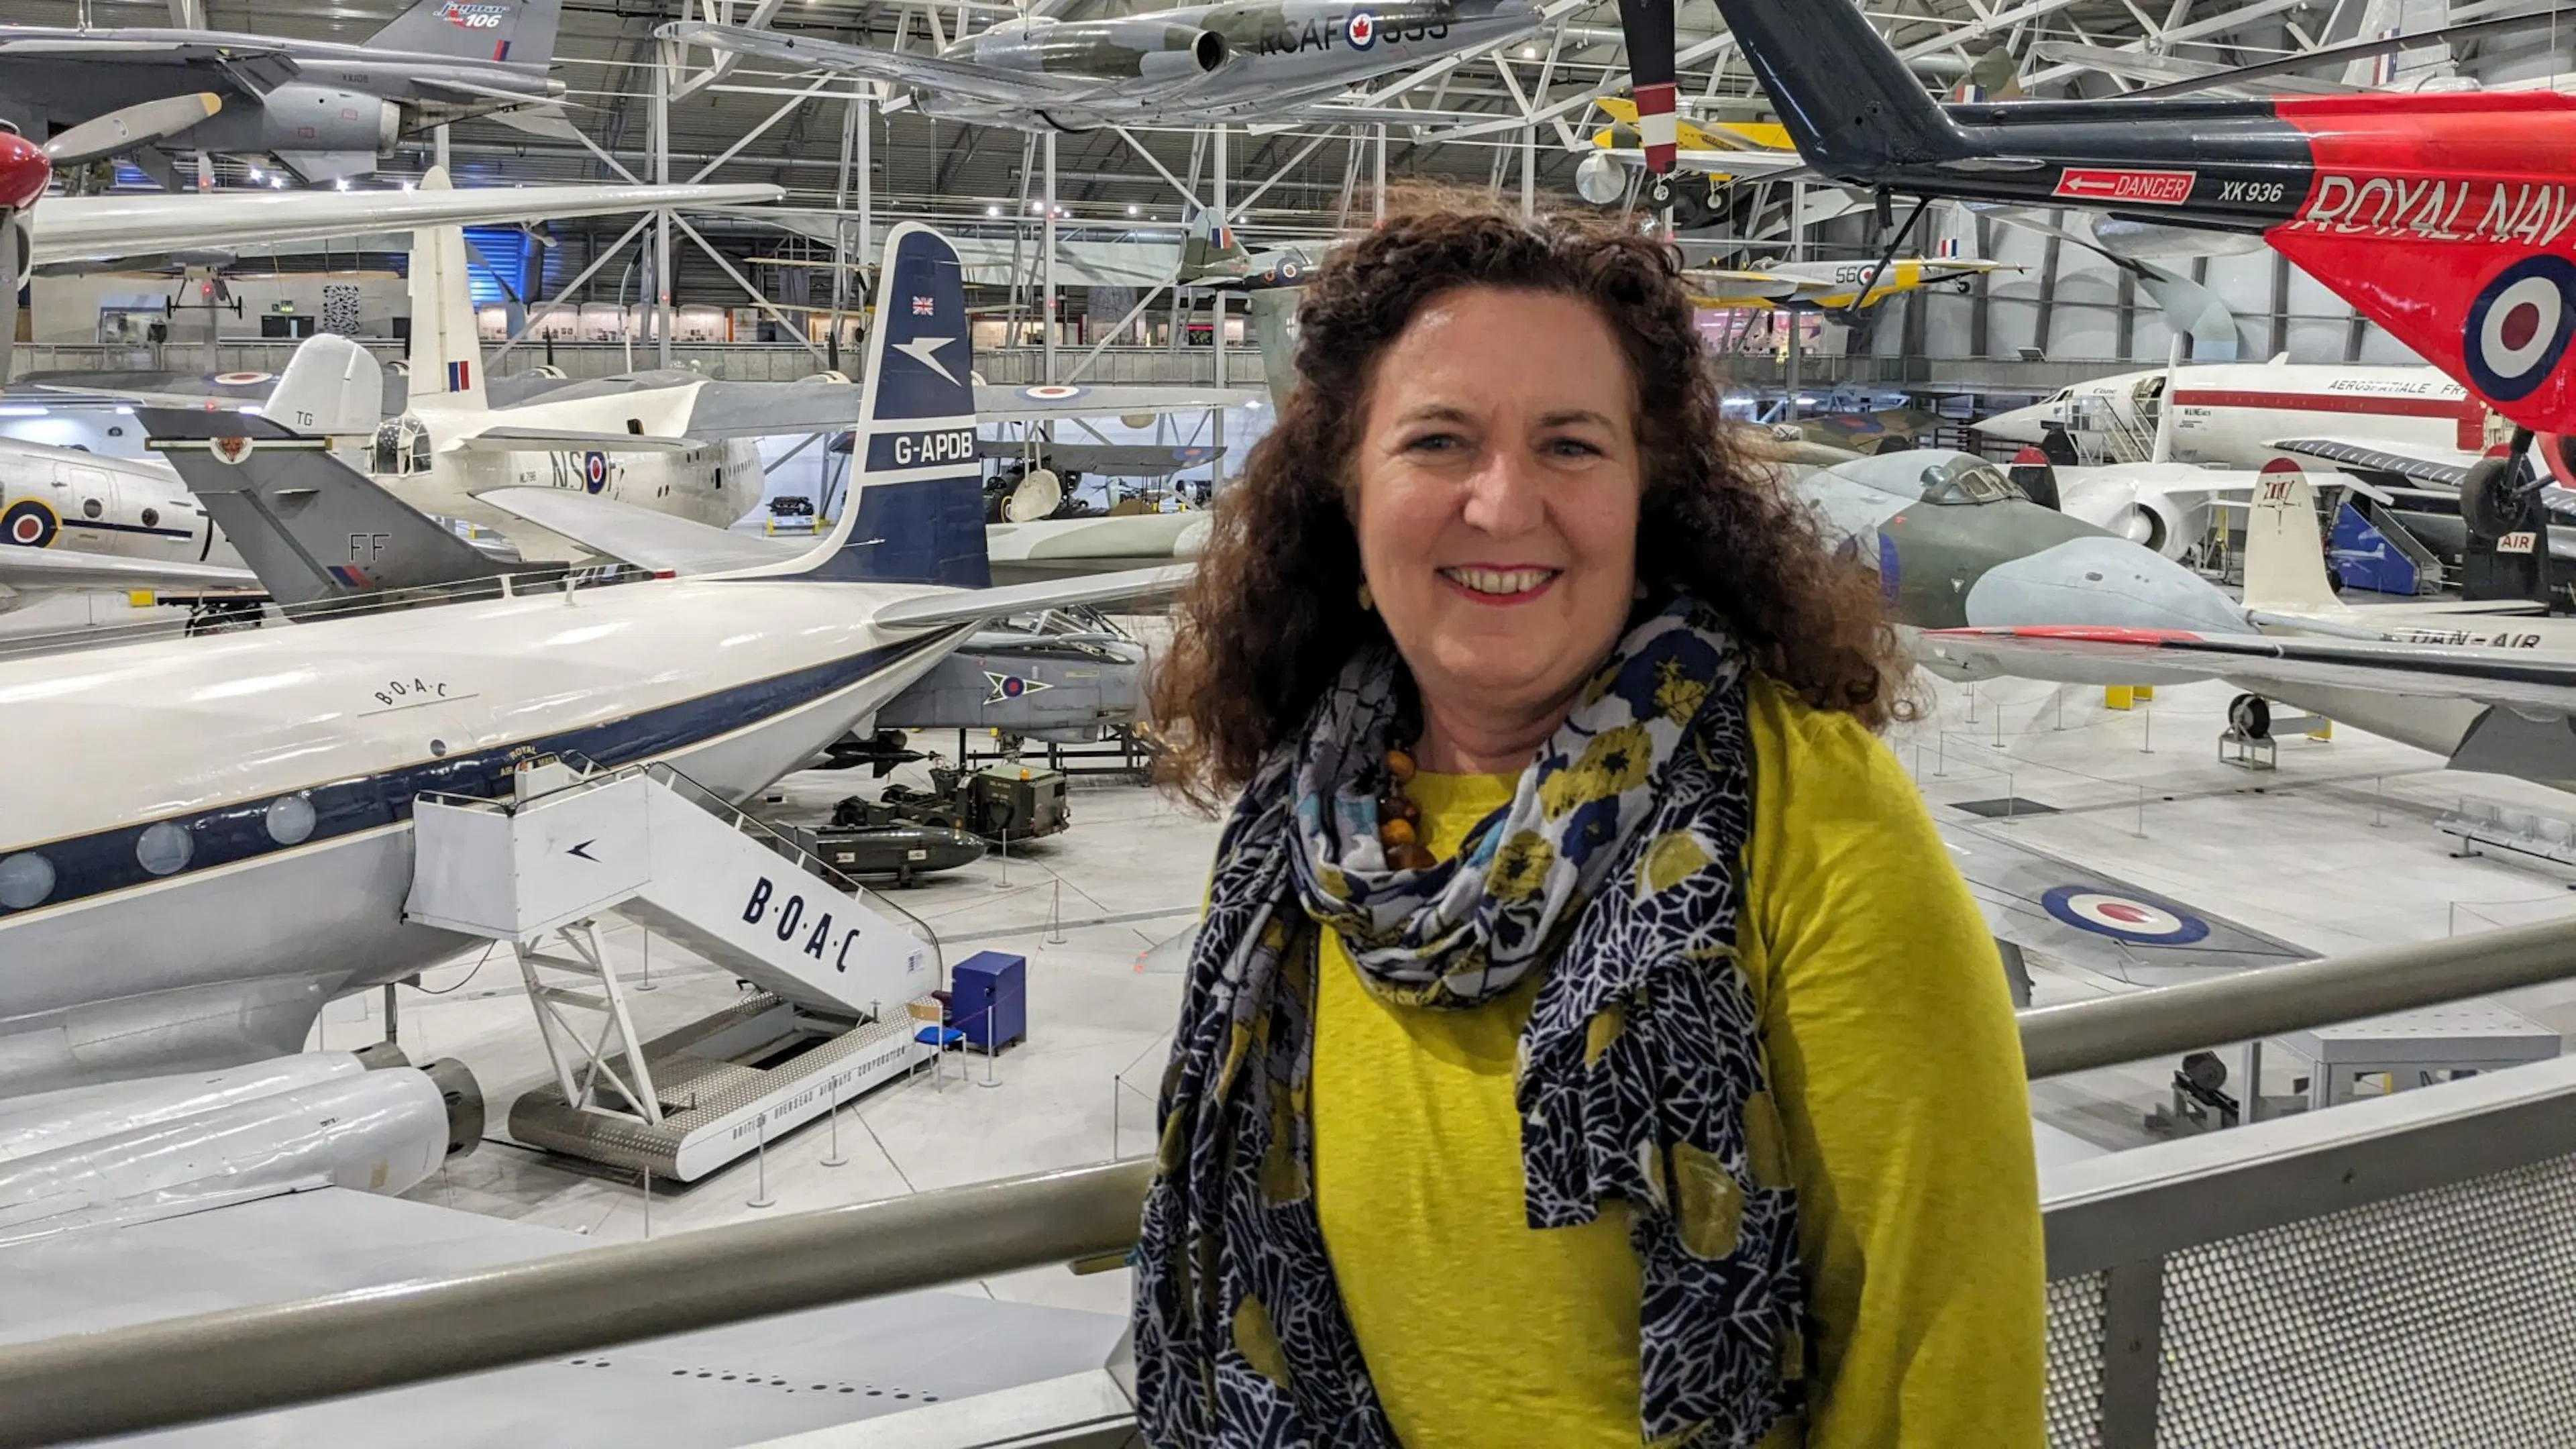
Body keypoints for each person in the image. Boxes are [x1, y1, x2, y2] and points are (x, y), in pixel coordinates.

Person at [1134, 196, 2043, 1448]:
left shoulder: (1811, 815)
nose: (1504, 507)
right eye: (1439, 441)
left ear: (1645, 496)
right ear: (1346, 493)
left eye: (1570, 446)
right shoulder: (1296, 842)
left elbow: (1937, 1345)